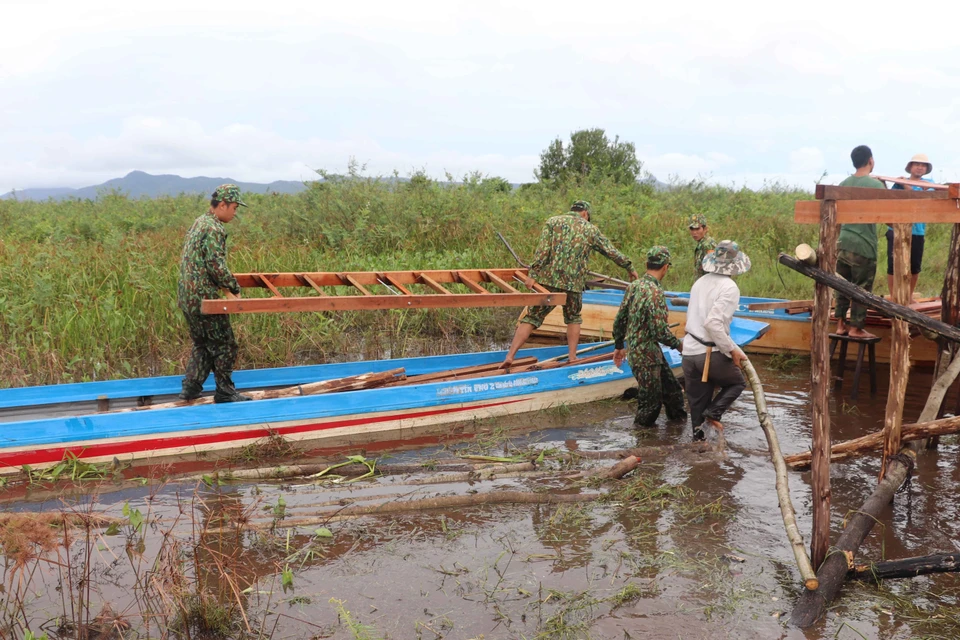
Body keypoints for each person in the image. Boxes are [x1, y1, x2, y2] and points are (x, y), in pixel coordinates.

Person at [502, 200, 638, 367]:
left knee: (532, 316)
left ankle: (510, 355)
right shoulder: (590, 229)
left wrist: (533, 273)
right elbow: (611, 252)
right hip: (573, 284)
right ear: (585, 214)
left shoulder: (553, 222)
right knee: (573, 318)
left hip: (547, 281)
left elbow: (543, 251)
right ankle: (572, 357)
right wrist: (629, 267)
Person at [177, 184, 252, 403]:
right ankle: (225, 392)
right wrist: (234, 287)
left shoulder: (200, 222)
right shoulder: (214, 228)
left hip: (187, 296)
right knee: (225, 344)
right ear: (222, 205)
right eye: (234, 208)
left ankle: (190, 388)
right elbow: (216, 265)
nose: (235, 213)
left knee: (202, 343)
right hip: (204, 297)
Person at [682, 240, 750, 441]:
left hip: (689, 353)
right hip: (709, 354)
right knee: (737, 383)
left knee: (696, 408)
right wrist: (732, 350)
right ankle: (713, 413)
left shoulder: (700, 282)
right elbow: (713, 324)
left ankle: (699, 451)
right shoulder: (729, 287)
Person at [612, 246, 686, 427]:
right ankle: (642, 442)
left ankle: (677, 432)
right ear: (666, 267)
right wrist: (679, 345)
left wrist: (619, 345)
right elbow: (659, 331)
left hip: (650, 353)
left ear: (646, 264)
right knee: (650, 406)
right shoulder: (655, 292)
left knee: (674, 393)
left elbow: (620, 318)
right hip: (646, 357)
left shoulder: (634, 286)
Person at [834, 145, 886, 338]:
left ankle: (840, 324)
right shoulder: (876, 186)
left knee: (841, 286)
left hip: (844, 241)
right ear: (871, 161)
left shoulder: (843, 183)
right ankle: (856, 328)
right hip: (864, 245)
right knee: (861, 288)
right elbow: (889, 215)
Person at [885, 153, 934, 300]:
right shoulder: (898, 183)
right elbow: (888, 198)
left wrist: (905, 184)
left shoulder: (929, 184)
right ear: (911, 167)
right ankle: (894, 296)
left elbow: (921, 199)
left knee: (914, 266)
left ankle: (909, 295)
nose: (920, 167)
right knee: (893, 265)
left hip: (917, 231)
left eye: (923, 165)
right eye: (917, 164)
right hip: (896, 229)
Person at [688, 213, 717, 279]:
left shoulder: (708, 245)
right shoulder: (701, 244)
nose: (694, 232)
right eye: (692, 229)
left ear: (705, 229)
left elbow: (713, 268)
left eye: (697, 229)